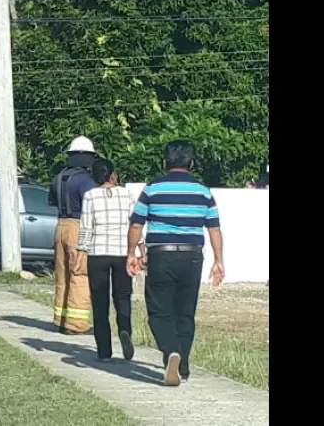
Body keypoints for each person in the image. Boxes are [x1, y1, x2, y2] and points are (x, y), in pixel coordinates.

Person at [126, 140, 225, 386]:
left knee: (159, 311)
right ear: (191, 163)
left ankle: (171, 351)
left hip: (161, 255)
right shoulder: (203, 191)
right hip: (192, 256)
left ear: (165, 162)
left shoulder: (153, 188)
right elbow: (214, 228)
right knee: (185, 312)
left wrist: (131, 254)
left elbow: (137, 224)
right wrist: (219, 261)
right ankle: (184, 367)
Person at [78, 158, 141, 361]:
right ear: (113, 175)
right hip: (122, 252)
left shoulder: (90, 196)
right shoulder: (126, 194)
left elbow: (86, 228)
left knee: (100, 301)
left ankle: (104, 350)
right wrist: (141, 249)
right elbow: (136, 224)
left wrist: (81, 253)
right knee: (123, 297)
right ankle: (125, 330)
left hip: (98, 254)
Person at [48, 136, 98, 335]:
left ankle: (59, 319)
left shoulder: (58, 178)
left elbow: (51, 202)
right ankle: (76, 324)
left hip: (60, 226)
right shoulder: (86, 181)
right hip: (78, 226)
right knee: (80, 273)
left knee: (62, 275)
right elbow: (93, 205)